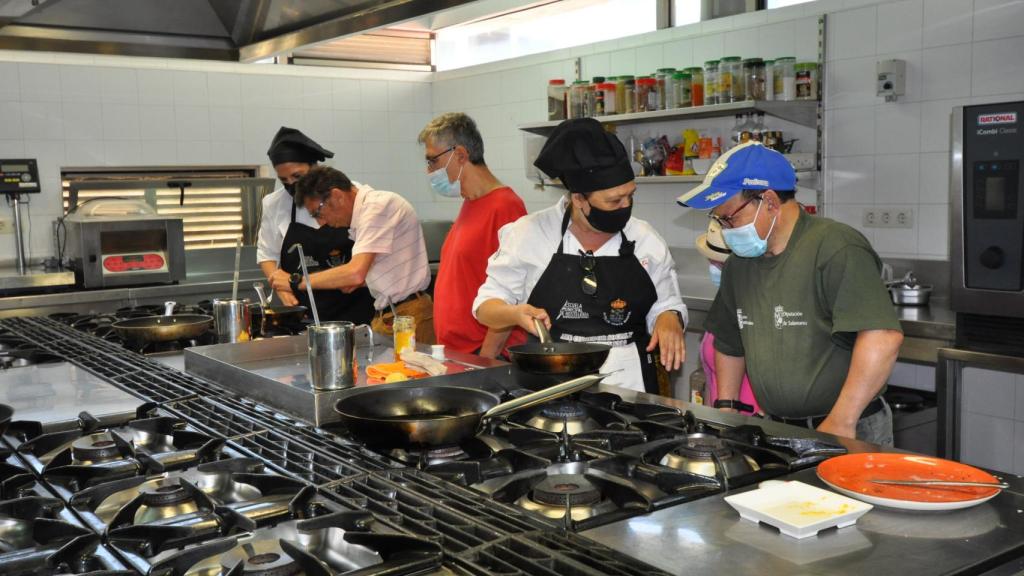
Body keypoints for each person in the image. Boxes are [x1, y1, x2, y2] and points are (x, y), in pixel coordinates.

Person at [677, 141, 903, 445]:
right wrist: (727, 411)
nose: (727, 230)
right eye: (719, 221)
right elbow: (730, 343)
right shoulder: (740, 265)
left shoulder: (835, 247)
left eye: (730, 218)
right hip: (777, 429)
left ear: (769, 201)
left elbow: (882, 337)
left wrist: (841, 420)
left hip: (849, 427)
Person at [473, 118, 687, 392]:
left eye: (630, 196)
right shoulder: (530, 234)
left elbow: (667, 300)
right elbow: (485, 307)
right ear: (579, 199)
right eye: (614, 201)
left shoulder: (644, 238)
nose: (626, 206)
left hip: (631, 384)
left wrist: (669, 317)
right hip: (548, 382)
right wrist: (515, 313)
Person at [270, 165, 435, 344]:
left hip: (409, 314)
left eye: (318, 212)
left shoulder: (377, 206)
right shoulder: (364, 215)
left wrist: (296, 282)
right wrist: (362, 281)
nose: (321, 222)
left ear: (337, 196)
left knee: (409, 371)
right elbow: (380, 269)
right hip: (388, 315)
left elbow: (355, 273)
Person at [418, 113, 528, 358]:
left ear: (460, 154)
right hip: (459, 352)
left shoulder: (505, 207)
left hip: (484, 354)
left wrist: (486, 360)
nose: (429, 171)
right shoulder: (470, 203)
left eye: (432, 161)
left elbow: (511, 293)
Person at [257, 127, 374, 323]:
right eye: (283, 180)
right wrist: (282, 287)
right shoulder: (274, 204)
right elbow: (267, 254)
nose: (292, 185)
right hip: (305, 314)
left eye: (297, 176)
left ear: (314, 168)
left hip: (358, 308)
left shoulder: (350, 195)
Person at [696, 219, 760, 415]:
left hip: (751, 425)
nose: (712, 265)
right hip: (724, 421)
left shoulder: (754, 306)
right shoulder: (724, 299)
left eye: (717, 261)